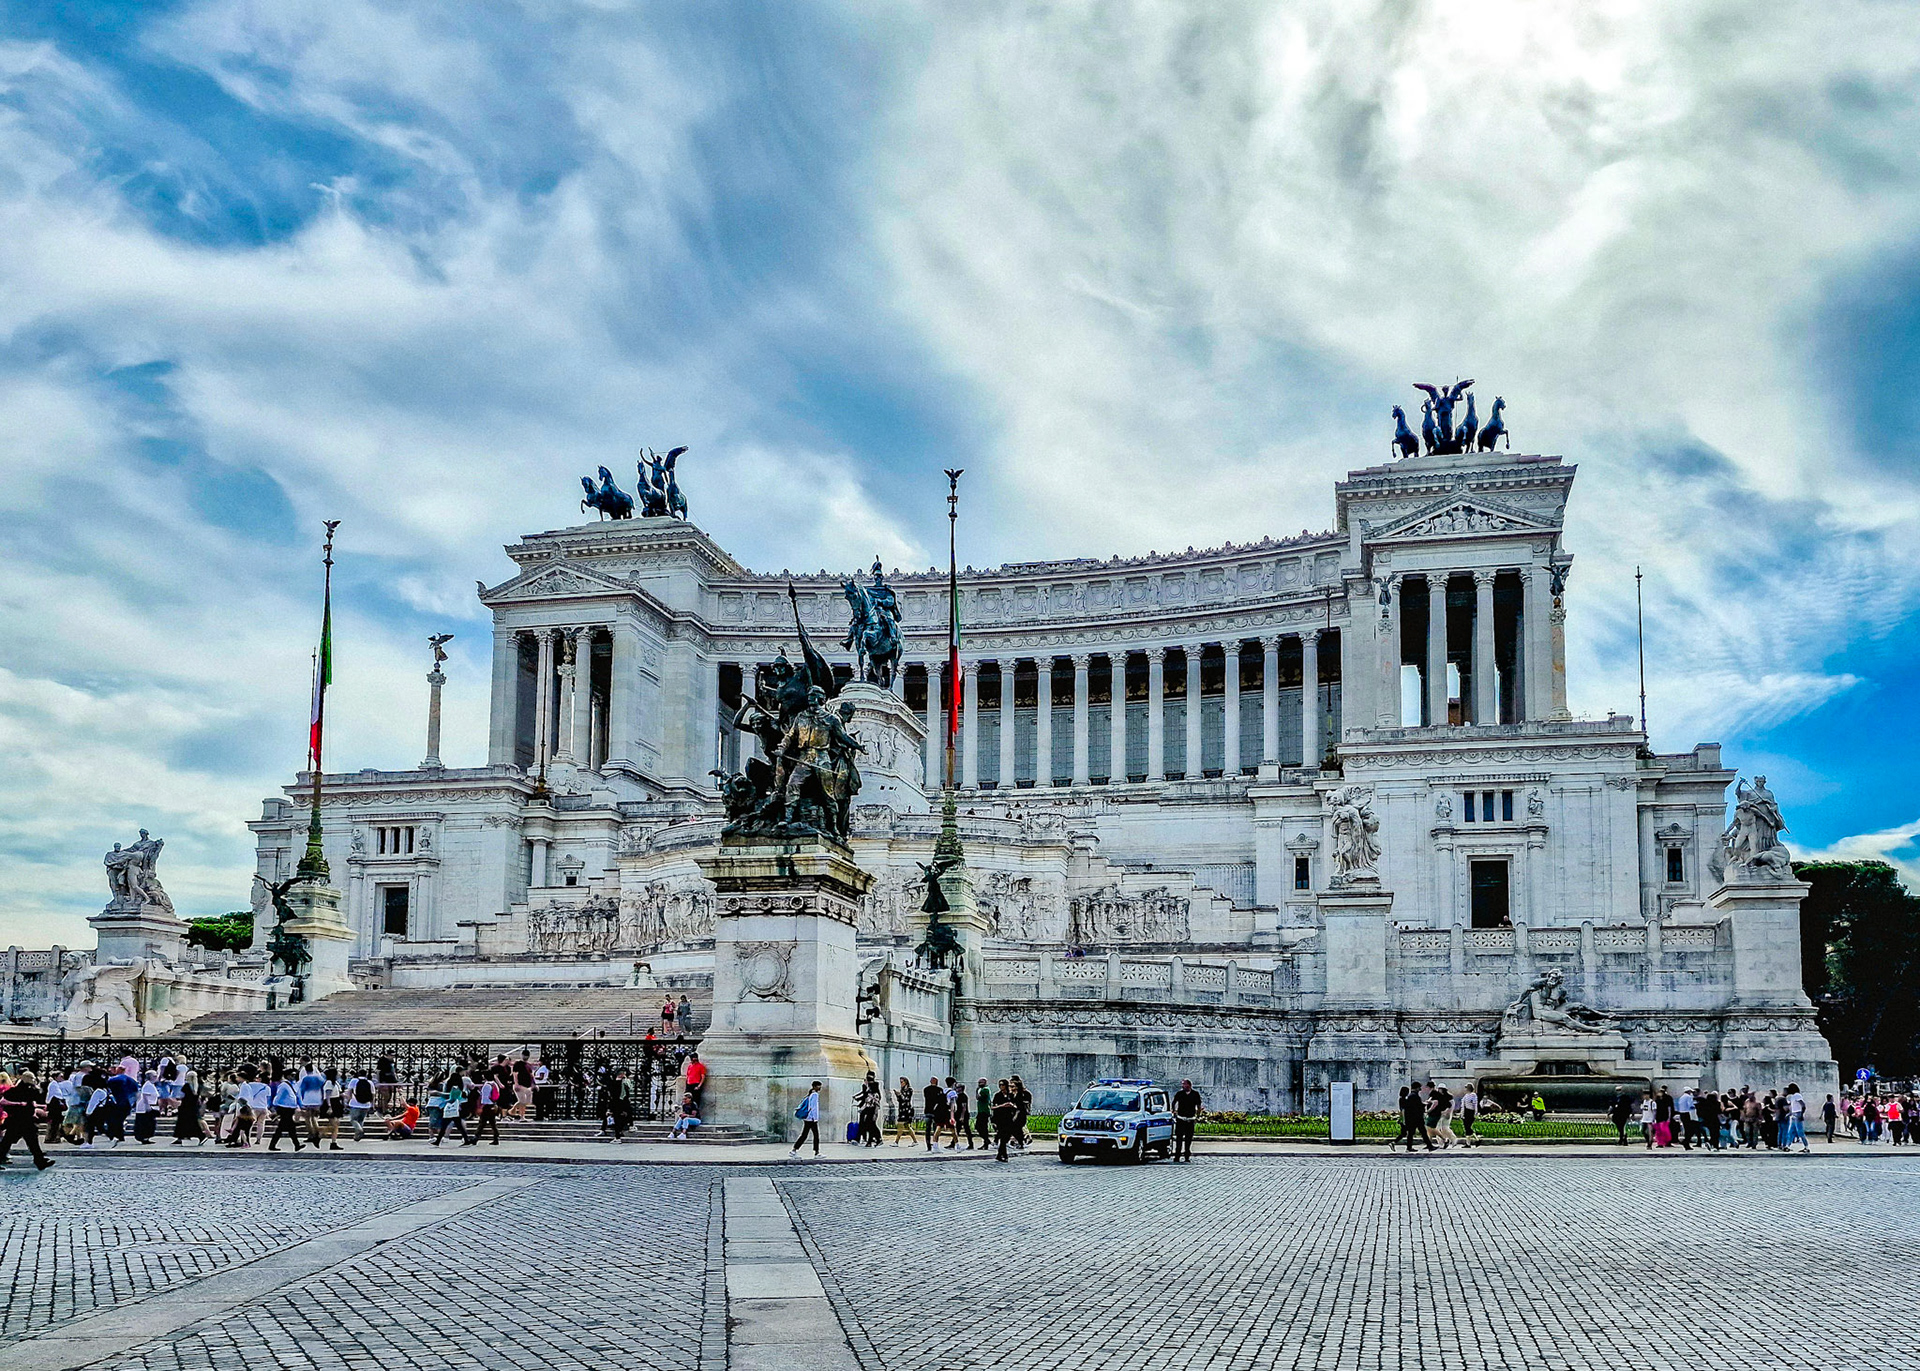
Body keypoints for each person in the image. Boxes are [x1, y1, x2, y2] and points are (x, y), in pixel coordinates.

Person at [0, 1070, 56, 1170]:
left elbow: (30, 1103)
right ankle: (39, 1161)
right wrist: (20, 1104)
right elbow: (4, 1102)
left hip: (20, 1120)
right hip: (20, 1120)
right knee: (10, 1142)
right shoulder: (22, 1091)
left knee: (26, 1141)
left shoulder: (18, 1090)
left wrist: (36, 1107)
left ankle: (40, 1160)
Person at [267, 1073, 305, 1152]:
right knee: (288, 1128)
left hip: (290, 1108)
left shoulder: (293, 1084)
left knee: (286, 1128)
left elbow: (296, 1095)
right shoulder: (283, 1085)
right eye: (292, 1075)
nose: (294, 1077)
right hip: (284, 1108)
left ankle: (273, 1145)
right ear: (287, 1076)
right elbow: (279, 1095)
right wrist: (274, 1106)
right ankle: (296, 1145)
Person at [1171, 1079, 1202, 1162]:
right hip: (1181, 1119)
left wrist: (1197, 1116)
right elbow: (1174, 1103)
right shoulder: (1179, 1094)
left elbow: (1198, 1105)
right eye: (1182, 1084)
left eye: (1184, 1084)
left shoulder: (1195, 1094)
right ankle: (1177, 1156)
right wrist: (1174, 1111)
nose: (1183, 1086)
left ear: (1189, 1085)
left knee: (1188, 1139)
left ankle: (1187, 1156)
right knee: (1179, 1139)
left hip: (1190, 1119)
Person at [172, 1074, 206, 1146]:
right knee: (192, 1122)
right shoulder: (198, 1086)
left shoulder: (186, 1086)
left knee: (182, 1122)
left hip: (185, 1106)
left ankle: (200, 1135)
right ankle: (180, 1137)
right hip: (193, 1107)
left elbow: (181, 1095)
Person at [990, 1080, 1020, 1162]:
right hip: (1000, 1118)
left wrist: (1012, 1105)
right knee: (1003, 1136)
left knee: (1006, 1136)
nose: (1001, 1086)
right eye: (1000, 1085)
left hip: (1009, 1118)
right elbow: (993, 1107)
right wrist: (1003, 1105)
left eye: (1002, 1085)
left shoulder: (1011, 1095)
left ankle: (1000, 1154)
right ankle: (1004, 1155)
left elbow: (1017, 1106)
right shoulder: (997, 1095)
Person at [1398, 1081, 1432, 1152]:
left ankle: (1410, 1147)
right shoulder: (1414, 1096)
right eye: (1419, 1088)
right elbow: (1417, 1107)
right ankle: (1429, 1146)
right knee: (1421, 1132)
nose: (1420, 1089)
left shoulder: (1412, 1096)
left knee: (1414, 1133)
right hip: (1416, 1118)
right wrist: (1424, 1104)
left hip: (1413, 1118)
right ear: (1416, 1088)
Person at [790, 1081, 822, 1157]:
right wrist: (815, 1118)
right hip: (811, 1119)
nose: (820, 1088)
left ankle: (794, 1150)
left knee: (804, 1135)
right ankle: (816, 1153)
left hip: (808, 1118)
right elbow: (813, 1107)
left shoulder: (810, 1094)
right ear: (814, 1086)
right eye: (818, 1086)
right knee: (815, 1136)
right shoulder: (815, 1095)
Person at [855, 1072, 883, 1147]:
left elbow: (869, 1097)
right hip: (868, 1107)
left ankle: (875, 1139)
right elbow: (865, 1096)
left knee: (871, 1124)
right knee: (869, 1124)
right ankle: (872, 1139)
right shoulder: (868, 1087)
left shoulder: (874, 1087)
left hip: (873, 1108)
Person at [946, 1077, 971, 1150]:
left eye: (958, 1087)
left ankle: (970, 1144)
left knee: (966, 1130)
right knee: (957, 1129)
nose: (956, 1088)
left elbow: (964, 1107)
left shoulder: (963, 1096)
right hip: (959, 1114)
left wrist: (962, 1116)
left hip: (963, 1115)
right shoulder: (958, 1095)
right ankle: (953, 1143)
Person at [922, 1076, 946, 1151]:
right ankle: (935, 1144)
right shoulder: (940, 1090)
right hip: (936, 1112)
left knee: (928, 1129)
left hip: (928, 1110)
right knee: (936, 1129)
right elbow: (941, 1101)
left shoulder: (926, 1089)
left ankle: (928, 1145)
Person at [892, 1077, 916, 1145]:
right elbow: (900, 1100)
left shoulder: (909, 1090)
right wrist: (897, 1095)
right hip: (901, 1109)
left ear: (906, 1082)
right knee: (907, 1126)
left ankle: (896, 1141)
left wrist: (900, 1095)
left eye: (902, 1082)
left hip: (906, 1110)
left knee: (900, 1125)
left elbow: (906, 1099)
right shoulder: (902, 1090)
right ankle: (915, 1141)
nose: (901, 1084)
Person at [1456, 1084, 1479, 1148]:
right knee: (1467, 1128)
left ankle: (1473, 1141)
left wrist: (1475, 1113)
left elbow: (1473, 1105)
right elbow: (1473, 1105)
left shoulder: (1471, 1096)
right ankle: (1471, 1141)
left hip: (1469, 1112)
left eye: (1466, 1088)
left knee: (1467, 1127)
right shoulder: (1468, 1095)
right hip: (1468, 1112)